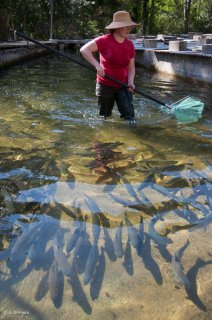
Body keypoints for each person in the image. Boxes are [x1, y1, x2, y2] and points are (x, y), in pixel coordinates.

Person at [80, 11, 139, 125]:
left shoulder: (129, 45)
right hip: (105, 85)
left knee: (130, 118)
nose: (129, 29)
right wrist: (97, 66)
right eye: (125, 26)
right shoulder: (104, 40)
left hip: (123, 85)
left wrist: (131, 82)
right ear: (117, 27)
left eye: (129, 26)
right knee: (104, 117)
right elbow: (84, 50)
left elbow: (131, 68)